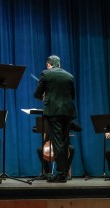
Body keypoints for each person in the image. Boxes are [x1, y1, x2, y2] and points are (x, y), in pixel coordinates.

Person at [34, 55, 76, 183]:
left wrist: (46, 96)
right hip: (68, 112)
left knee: (57, 142)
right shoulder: (70, 76)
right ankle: (62, 173)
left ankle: (60, 174)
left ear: (48, 64)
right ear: (59, 64)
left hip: (54, 113)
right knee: (64, 142)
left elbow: (37, 94)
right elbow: (72, 96)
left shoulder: (46, 74)